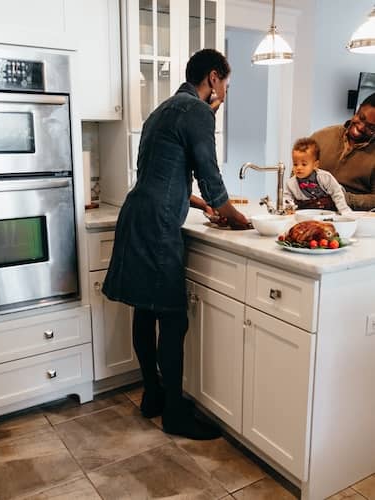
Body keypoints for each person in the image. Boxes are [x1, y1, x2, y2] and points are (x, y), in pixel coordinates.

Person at [102, 49, 249, 440]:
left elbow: (165, 169)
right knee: (172, 315)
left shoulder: (163, 109)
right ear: (214, 78)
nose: (225, 92)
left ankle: (152, 395)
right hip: (158, 223)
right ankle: (174, 414)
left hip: (137, 213)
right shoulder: (196, 112)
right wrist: (236, 218)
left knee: (145, 310)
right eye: (226, 84)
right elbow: (209, 173)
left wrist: (200, 204)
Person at [310, 92, 375, 211]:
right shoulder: (321, 137)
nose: (360, 127)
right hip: (309, 212)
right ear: (358, 109)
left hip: (354, 219)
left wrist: (342, 199)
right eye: (361, 118)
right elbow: (297, 173)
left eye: (371, 128)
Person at [283, 137, 352, 214]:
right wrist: (288, 208)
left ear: (315, 165)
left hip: (328, 212)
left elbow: (337, 193)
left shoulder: (325, 177)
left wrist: (344, 211)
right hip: (305, 213)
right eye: (295, 164)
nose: (298, 167)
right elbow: (286, 198)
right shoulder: (290, 183)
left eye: (304, 164)